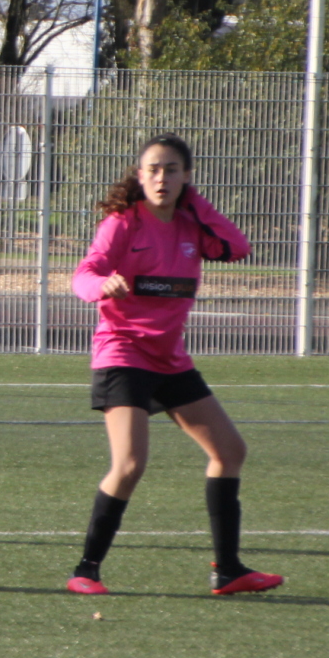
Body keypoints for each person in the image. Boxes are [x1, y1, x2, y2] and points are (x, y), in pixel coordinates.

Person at [65, 134, 282, 597]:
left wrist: (196, 204)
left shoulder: (190, 226)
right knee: (130, 463)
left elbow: (236, 247)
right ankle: (86, 570)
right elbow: (83, 275)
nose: (162, 178)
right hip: (122, 353)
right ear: (139, 176)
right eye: (153, 169)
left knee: (230, 451)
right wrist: (104, 285)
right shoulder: (123, 223)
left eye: (172, 170)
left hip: (169, 358)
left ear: (187, 177)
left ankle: (228, 570)